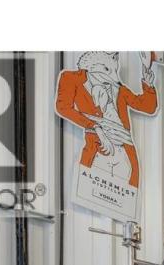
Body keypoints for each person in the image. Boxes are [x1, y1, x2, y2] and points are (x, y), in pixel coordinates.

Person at [55, 51, 158, 189]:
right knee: (86, 189)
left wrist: (148, 85)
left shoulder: (118, 88)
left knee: (128, 192)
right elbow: (63, 108)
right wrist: (94, 126)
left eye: (115, 70)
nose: (114, 77)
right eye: (108, 70)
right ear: (94, 66)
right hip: (96, 147)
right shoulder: (72, 78)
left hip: (125, 148)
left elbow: (148, 107)